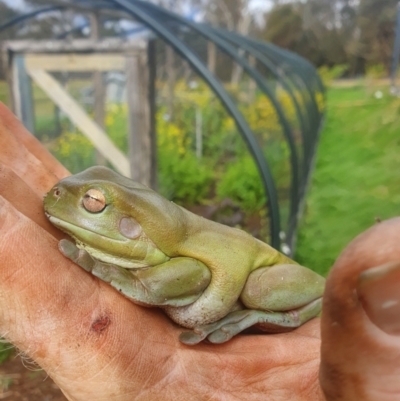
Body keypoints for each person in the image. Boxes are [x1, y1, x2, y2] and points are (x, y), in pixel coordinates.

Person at [0, 102, 399, 401]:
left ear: (131, 226)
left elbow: (199, 274)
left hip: (261, 275)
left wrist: (125, 279)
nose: (70, 197)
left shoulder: (167, 253)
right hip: (219, 254)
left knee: (257, 292)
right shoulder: (153, 242)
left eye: (92, 202)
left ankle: (290, 310)